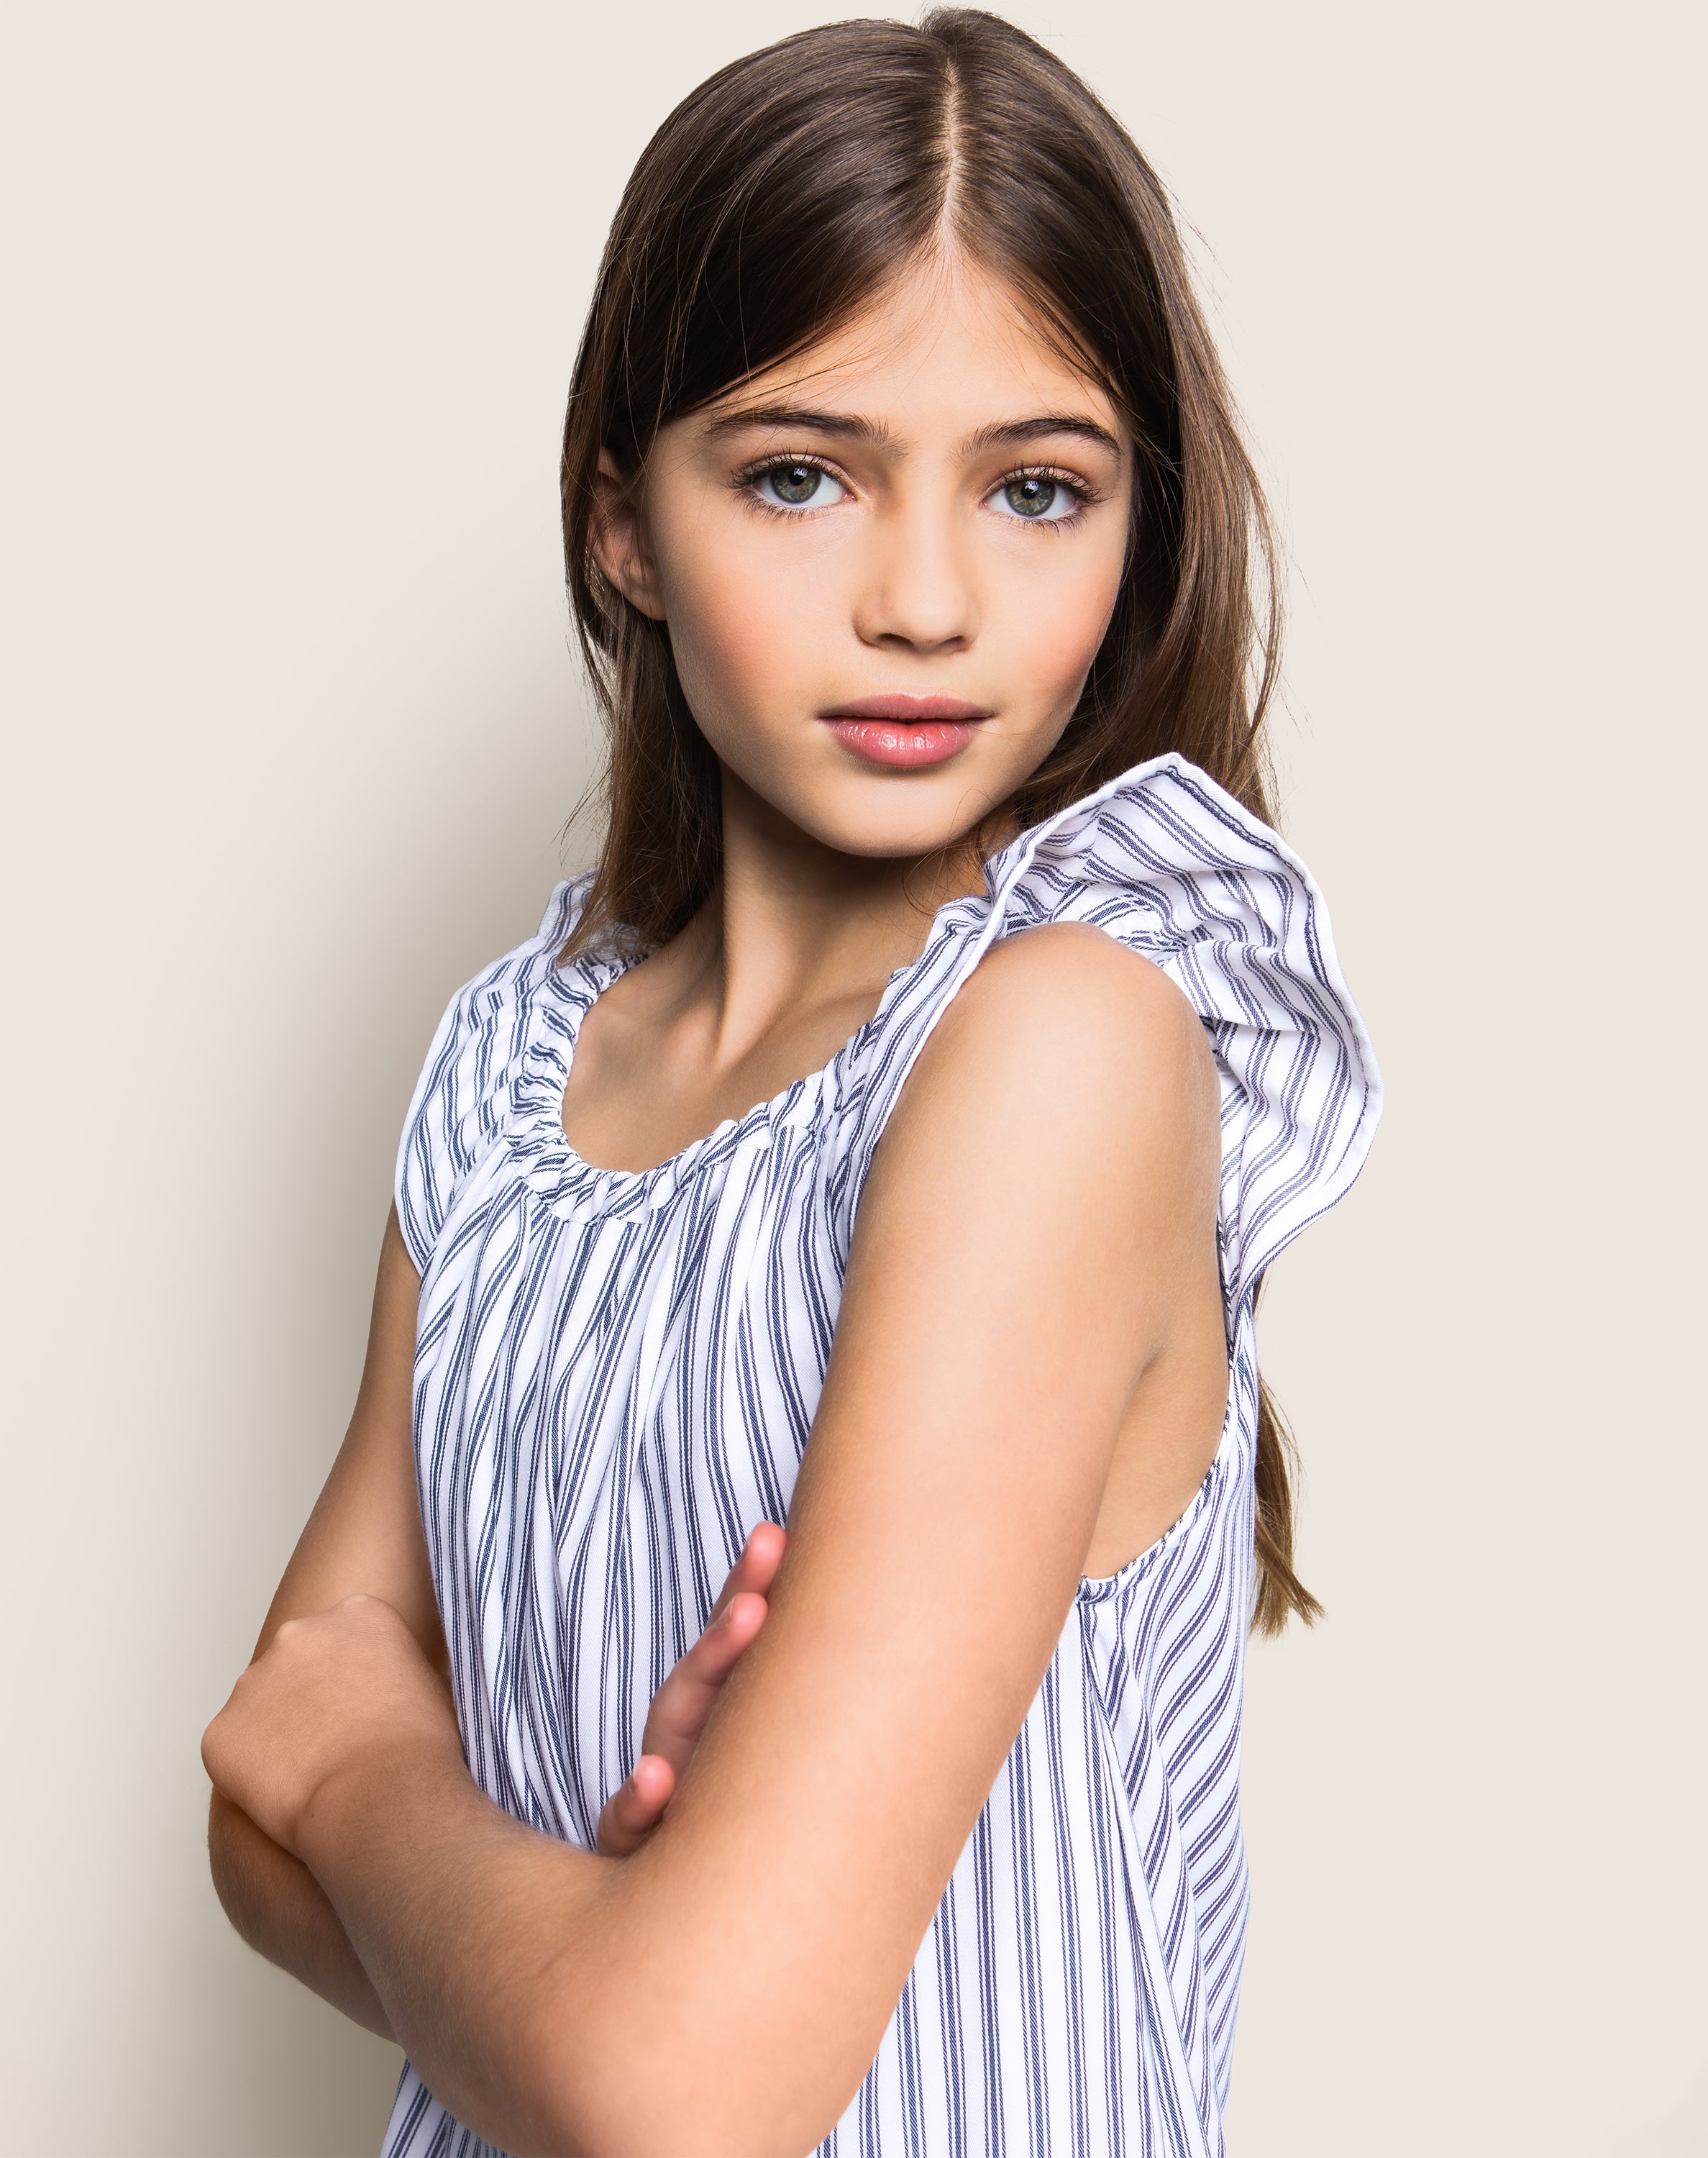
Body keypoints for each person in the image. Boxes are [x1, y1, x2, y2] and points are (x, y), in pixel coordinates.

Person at [201, 12, 1383, 2155]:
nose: (923, 601)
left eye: (1038, 489)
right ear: (622, 529)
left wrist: (388, 1782)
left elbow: (656, 2074)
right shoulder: (507, 1064)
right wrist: (570, 1930)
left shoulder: (1065, 1041)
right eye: (797, 474)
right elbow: (244, 1808)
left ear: (1142, 539)